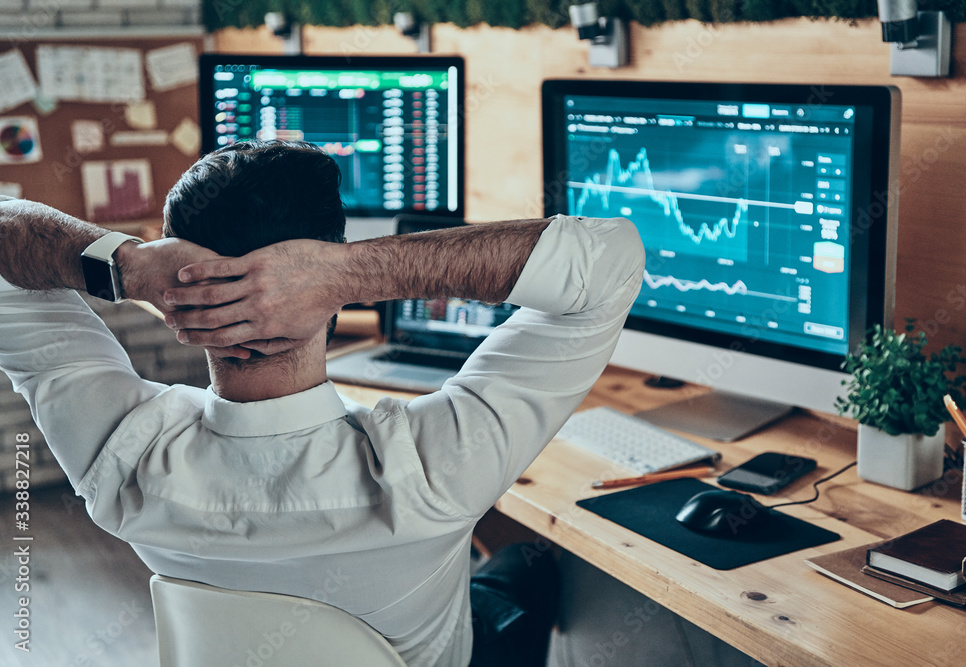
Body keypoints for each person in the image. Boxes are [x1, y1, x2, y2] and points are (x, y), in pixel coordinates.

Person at [0, 140, 643, 666]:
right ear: (322, 274)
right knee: (525, 569)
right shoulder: (433, 467)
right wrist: (351, 273)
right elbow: (611, 259)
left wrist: (131, 265)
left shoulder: (120, 455)